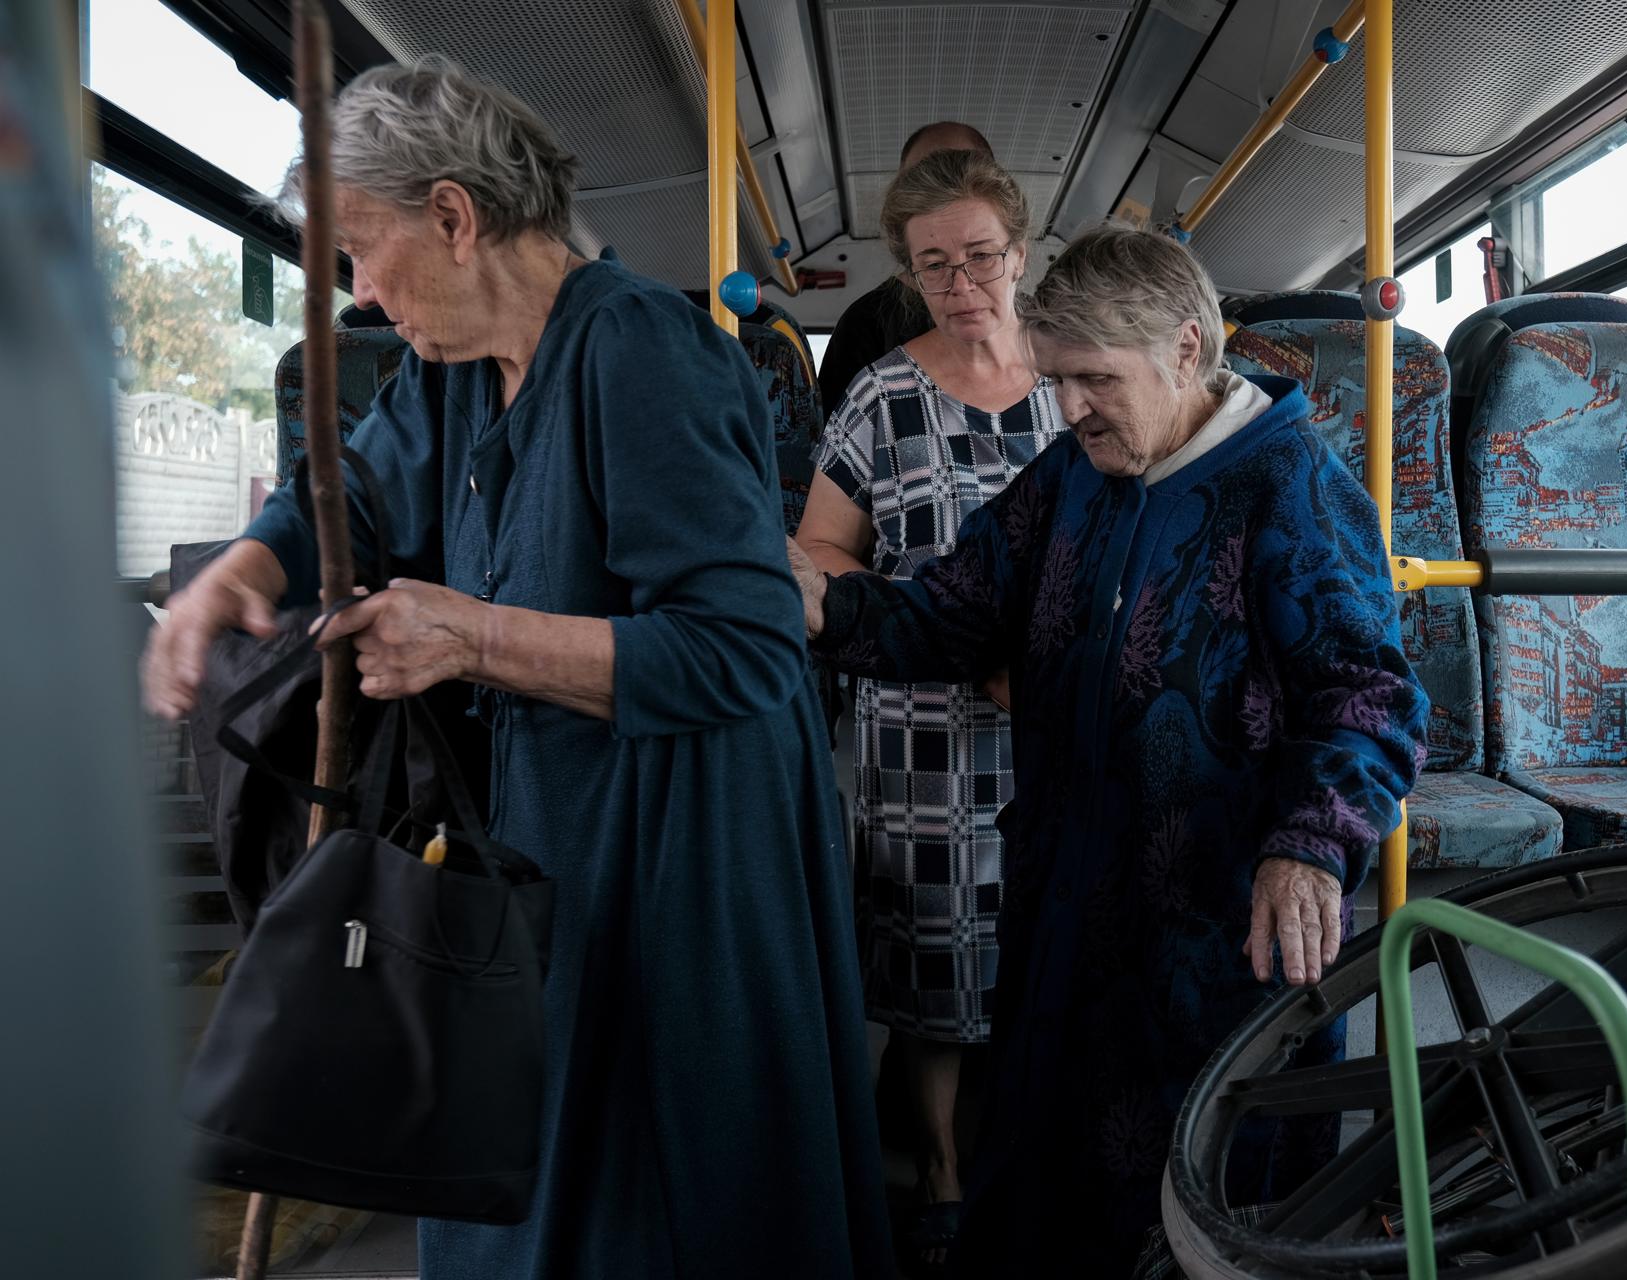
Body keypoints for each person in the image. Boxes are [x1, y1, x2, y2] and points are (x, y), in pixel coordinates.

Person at [141, 58, 890, 1280]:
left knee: (653, 1189)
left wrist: (474, 634)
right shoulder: (453, 374)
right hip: (552, 824)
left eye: (363, 251)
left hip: (681, 846)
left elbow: (748, 647)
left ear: (453, 214)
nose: (362, 293)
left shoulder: (641, 354)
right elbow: (359, 488)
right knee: (529, 1159)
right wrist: (249, 568)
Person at [787, 225, 1429, 1276]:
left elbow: (1368, 696)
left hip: (1217, 934)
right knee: (1046, 1189)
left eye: (1094, 379)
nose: (1070, 405)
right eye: (1057, 377)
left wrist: (1311, 841)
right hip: (1067, 910)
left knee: (1201, 1205)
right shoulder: (1073, 472)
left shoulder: (1292, 487)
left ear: (1187, 348)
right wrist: (825, 606)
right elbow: (956, 611)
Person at [795, 147, 1065, 1266]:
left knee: (1056, 941)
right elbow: (816, 546)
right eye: (934, 266)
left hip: (1062, 715)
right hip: (919, 726)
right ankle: (947, 1178)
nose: (963, 287)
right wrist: (891, 614)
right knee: (935, 959)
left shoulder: (1078, 371)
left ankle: (1045, 1160)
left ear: (1023, 250)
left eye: (982, 259)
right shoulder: (882, 395)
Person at [816, 122, 993, 417]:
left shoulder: (1034, 328)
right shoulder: (865, 324)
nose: (961, 285)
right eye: (924, 177)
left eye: (962, 170)